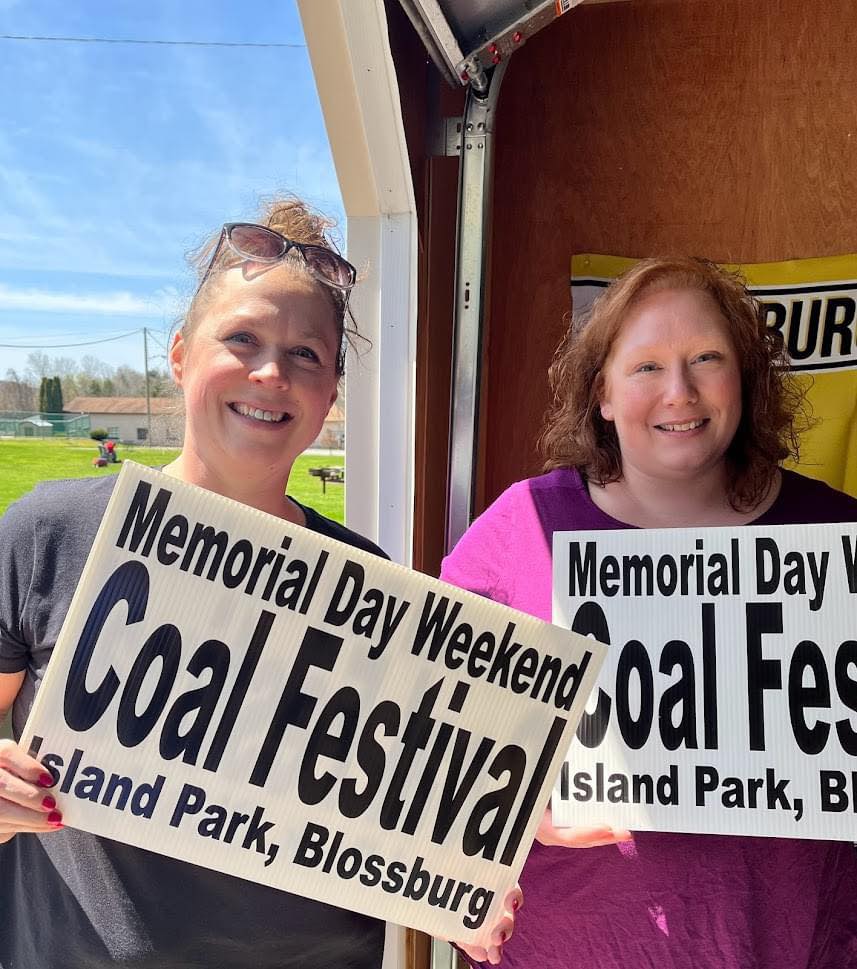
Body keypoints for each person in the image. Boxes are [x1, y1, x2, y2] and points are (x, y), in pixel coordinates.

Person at [0, 197, 518, 968]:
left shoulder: (371, 587)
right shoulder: (49, 532)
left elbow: (401, 813)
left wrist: (457, 884)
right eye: (241, 338)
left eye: (306, 354)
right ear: (179, 354)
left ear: (331, 392)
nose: (272, 372)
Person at [441, 256, 857, 968]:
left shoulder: (831, 532)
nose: (678, 391)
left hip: (789, 943)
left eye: (706, 358)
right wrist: (494, 830)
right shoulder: (520, 527)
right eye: (645, 367)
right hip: (572, 946)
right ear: (600, 391)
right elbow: (434, 744)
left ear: (744, 382)